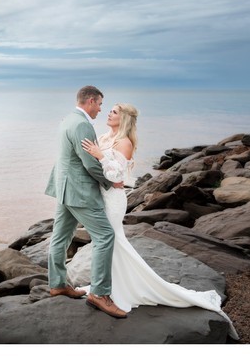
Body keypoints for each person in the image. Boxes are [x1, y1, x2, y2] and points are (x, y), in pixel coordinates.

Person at [79, 103, 239, 339]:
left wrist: (100, 156)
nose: (108, 114)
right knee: (107, 242)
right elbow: (96, 167)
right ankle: (105, 286)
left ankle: (115, 289)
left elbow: (118, 176)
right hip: (99, 196)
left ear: (123, 118)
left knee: (112, 241)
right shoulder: (103, 136)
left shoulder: (125, 142)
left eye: (113, 111)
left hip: (113, 199)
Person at [44, 86, 127, 319]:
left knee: (60, 237)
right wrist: (112, 183)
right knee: (105, 236)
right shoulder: (81, 124)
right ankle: (100, 294)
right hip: (79, 191)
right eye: (100, 104)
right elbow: (90, 164)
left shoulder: (67, 120)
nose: (101, 109)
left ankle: (58, 284)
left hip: (64, 188)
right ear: (91, 101)